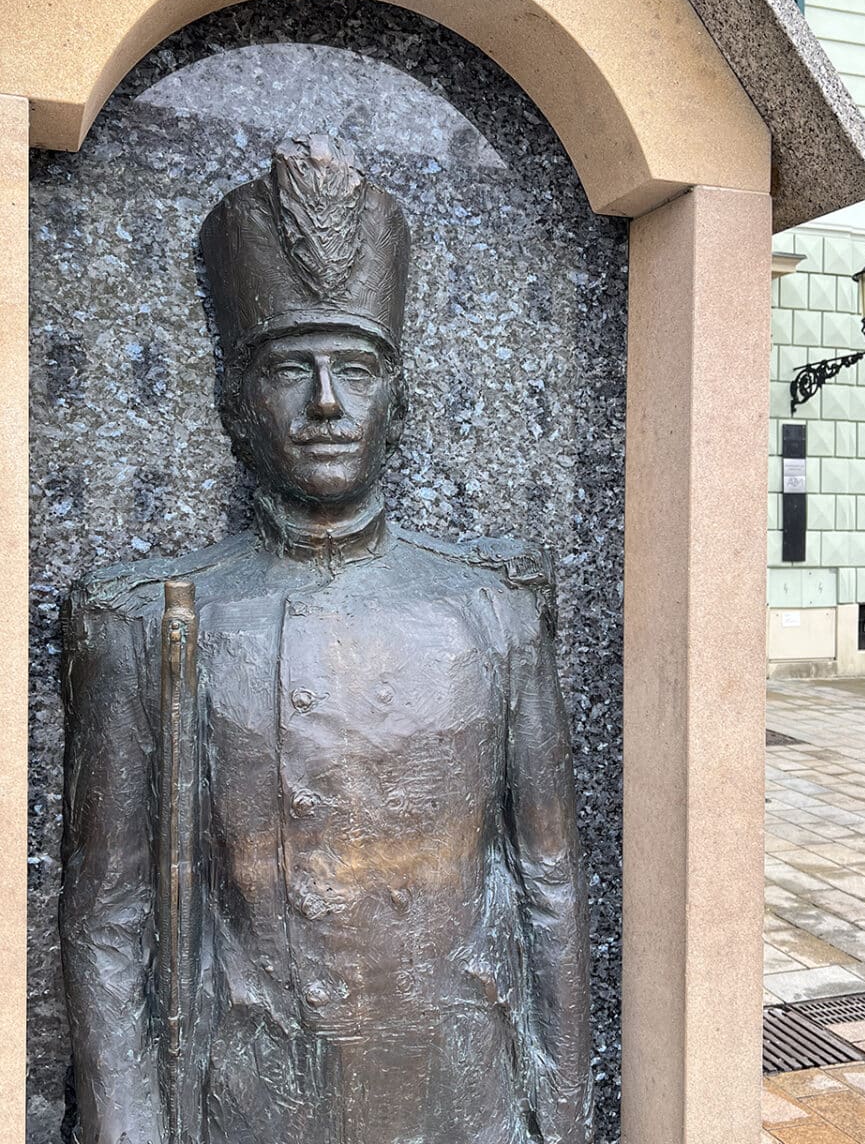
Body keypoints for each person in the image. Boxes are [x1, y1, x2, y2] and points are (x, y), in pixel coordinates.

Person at [60, 135, 592, 1144]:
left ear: (399, 398)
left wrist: (561, 1120)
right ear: (236, 404)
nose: (326, 405)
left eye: (355, 368)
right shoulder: (141, 622)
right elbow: (107, 922)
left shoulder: (495, 609)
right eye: (287, 370)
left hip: (461, 1101)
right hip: (247, 1104)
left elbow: (550, 884)